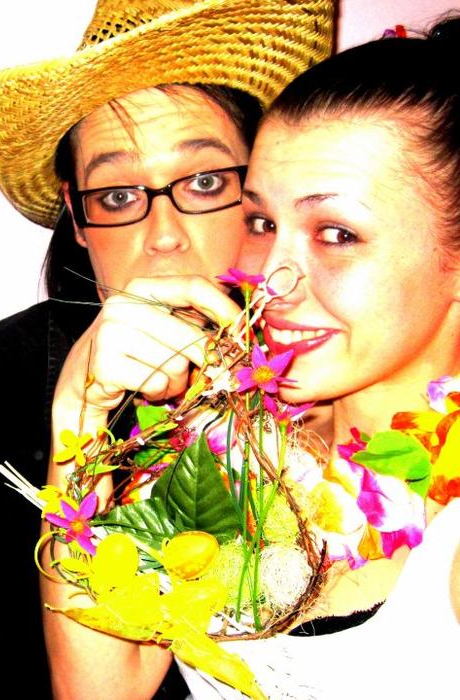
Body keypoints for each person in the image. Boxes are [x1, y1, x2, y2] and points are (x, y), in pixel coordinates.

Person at [0, 0, 334, 697]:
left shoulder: (340, 368)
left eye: (205, 182)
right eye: (119, 195)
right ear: (77, 216)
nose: (162, 236)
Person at [177, 14, 459, 698]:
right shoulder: (234, 442)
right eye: (260, 222)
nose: (269, 279)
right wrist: (78, 414)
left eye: (335, 232)